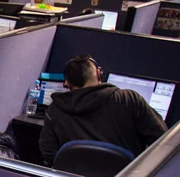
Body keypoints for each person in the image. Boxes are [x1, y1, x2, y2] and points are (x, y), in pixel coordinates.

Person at [39, 55, 167, 167]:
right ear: (99, 73)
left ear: (67, 83)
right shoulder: (129, 99)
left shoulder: (55, 110)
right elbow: (163, 140)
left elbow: (49, 155)